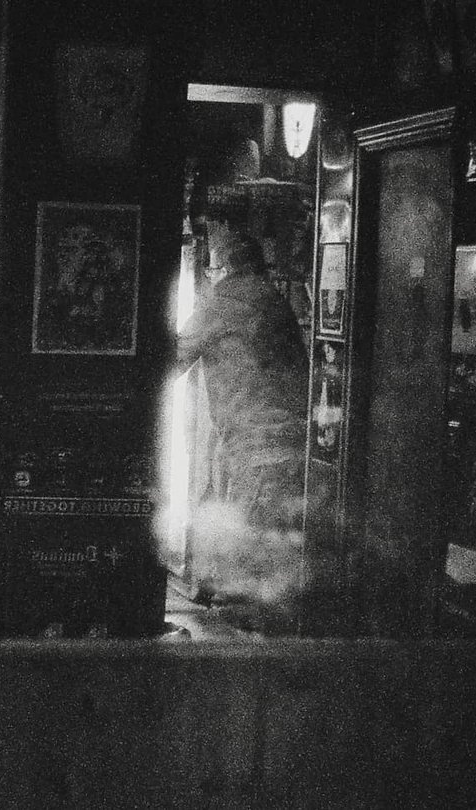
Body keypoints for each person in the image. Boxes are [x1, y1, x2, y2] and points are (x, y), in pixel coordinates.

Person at [177, 208, 309, 614]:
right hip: (282, 432)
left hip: (253, 435)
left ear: (221, 268)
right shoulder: (274, 300)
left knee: (250, 535)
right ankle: (223, 590)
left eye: (212, 267)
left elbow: (175, 356)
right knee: (253, 522)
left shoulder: (224, 301)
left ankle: (247, 629)